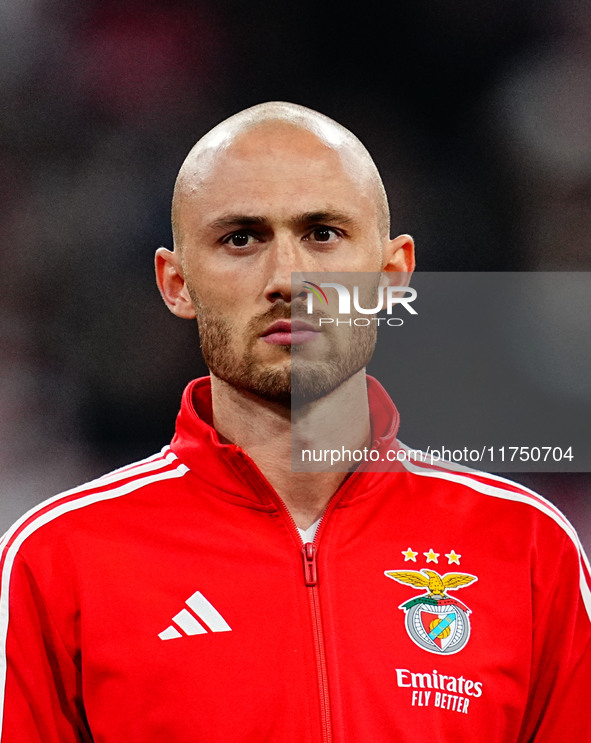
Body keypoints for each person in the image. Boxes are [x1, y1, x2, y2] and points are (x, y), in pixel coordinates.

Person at [1, 102, 589, 743]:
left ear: (393, 276)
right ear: (177, 283)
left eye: (323, 234)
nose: (287, 278)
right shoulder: (59, 560)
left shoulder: (528, 547)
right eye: (240, 238)